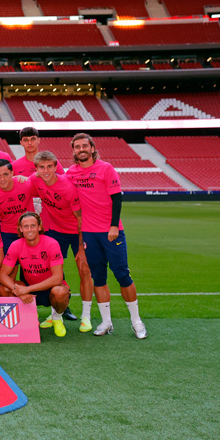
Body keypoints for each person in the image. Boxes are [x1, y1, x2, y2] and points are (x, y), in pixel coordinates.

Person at [66, 133, 146, 339]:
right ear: (73, 151)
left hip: (111, 232)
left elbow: (117, 199)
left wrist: (113, 226)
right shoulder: (71, 173)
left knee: (122, 275)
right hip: (90, 235)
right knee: (98, 278)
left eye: (85, 146)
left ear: (92, 148)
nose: (81, 149)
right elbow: (52, 178)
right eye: (77, 147)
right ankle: (106, 322)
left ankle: (136, 322)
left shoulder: (106, 168)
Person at [29, 151, 94, 332]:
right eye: (42, 167)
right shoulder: (35, 180)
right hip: (57, 230)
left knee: (84, 269)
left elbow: (79, 218)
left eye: (50, 166)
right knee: (54, 272)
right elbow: (20, 183)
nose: (46, 171)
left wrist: (81, 247)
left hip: (78, 231)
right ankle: (55, 315)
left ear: (56, 166)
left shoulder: (67, 187)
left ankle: (86, 317)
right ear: (36, 169)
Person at [0, 212, 71, 338]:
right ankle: (30, 316)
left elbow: (58, 278)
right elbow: (2, 275)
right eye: (25, 226)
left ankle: (57, 318)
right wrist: (18, 290)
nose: (29, 229)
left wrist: (27, 289)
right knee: (4, 289)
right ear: (20, 229)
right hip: (29, 290)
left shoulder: (51, 244)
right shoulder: (16, 245)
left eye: (33, 226)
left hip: (50, 290)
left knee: (61, 291)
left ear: (39, 227)